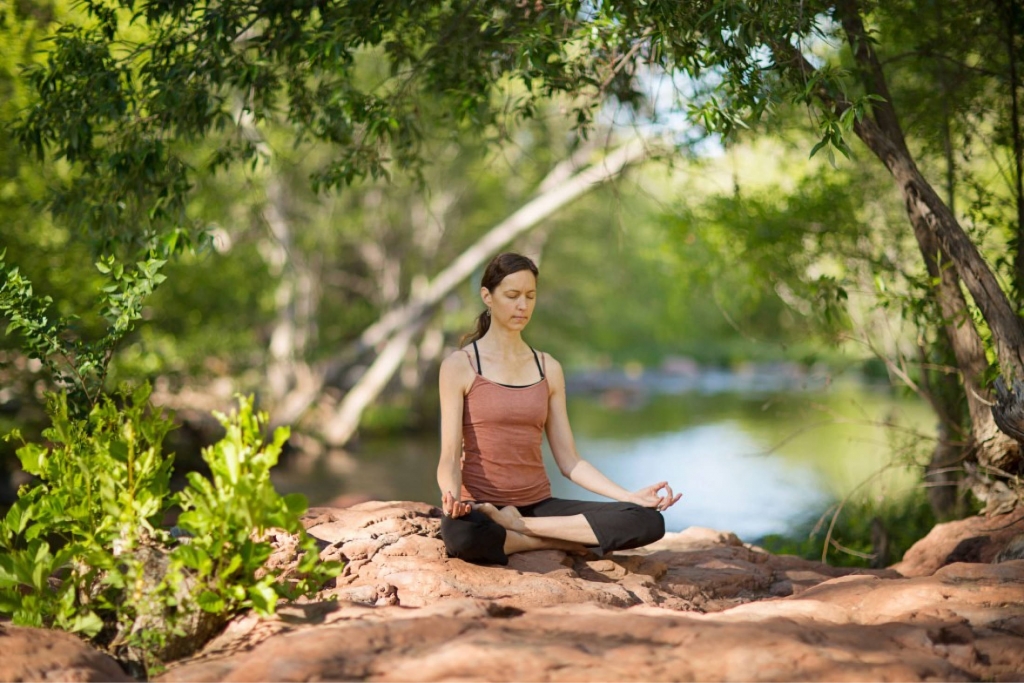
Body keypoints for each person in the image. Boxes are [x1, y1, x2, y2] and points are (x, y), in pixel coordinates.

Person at [436, 252, 682, 565]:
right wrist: (452, 497)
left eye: (530, 296)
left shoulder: (547, 367)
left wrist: (629, 496)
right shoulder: (460, 366)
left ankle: (518, 530)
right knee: (462, 535)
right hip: (482, 507)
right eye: (512, 296)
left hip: (539, 507)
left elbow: (570, 461)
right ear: (488, 296)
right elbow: (448, 456)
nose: (522, 306)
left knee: (647, 520)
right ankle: (557, 538)